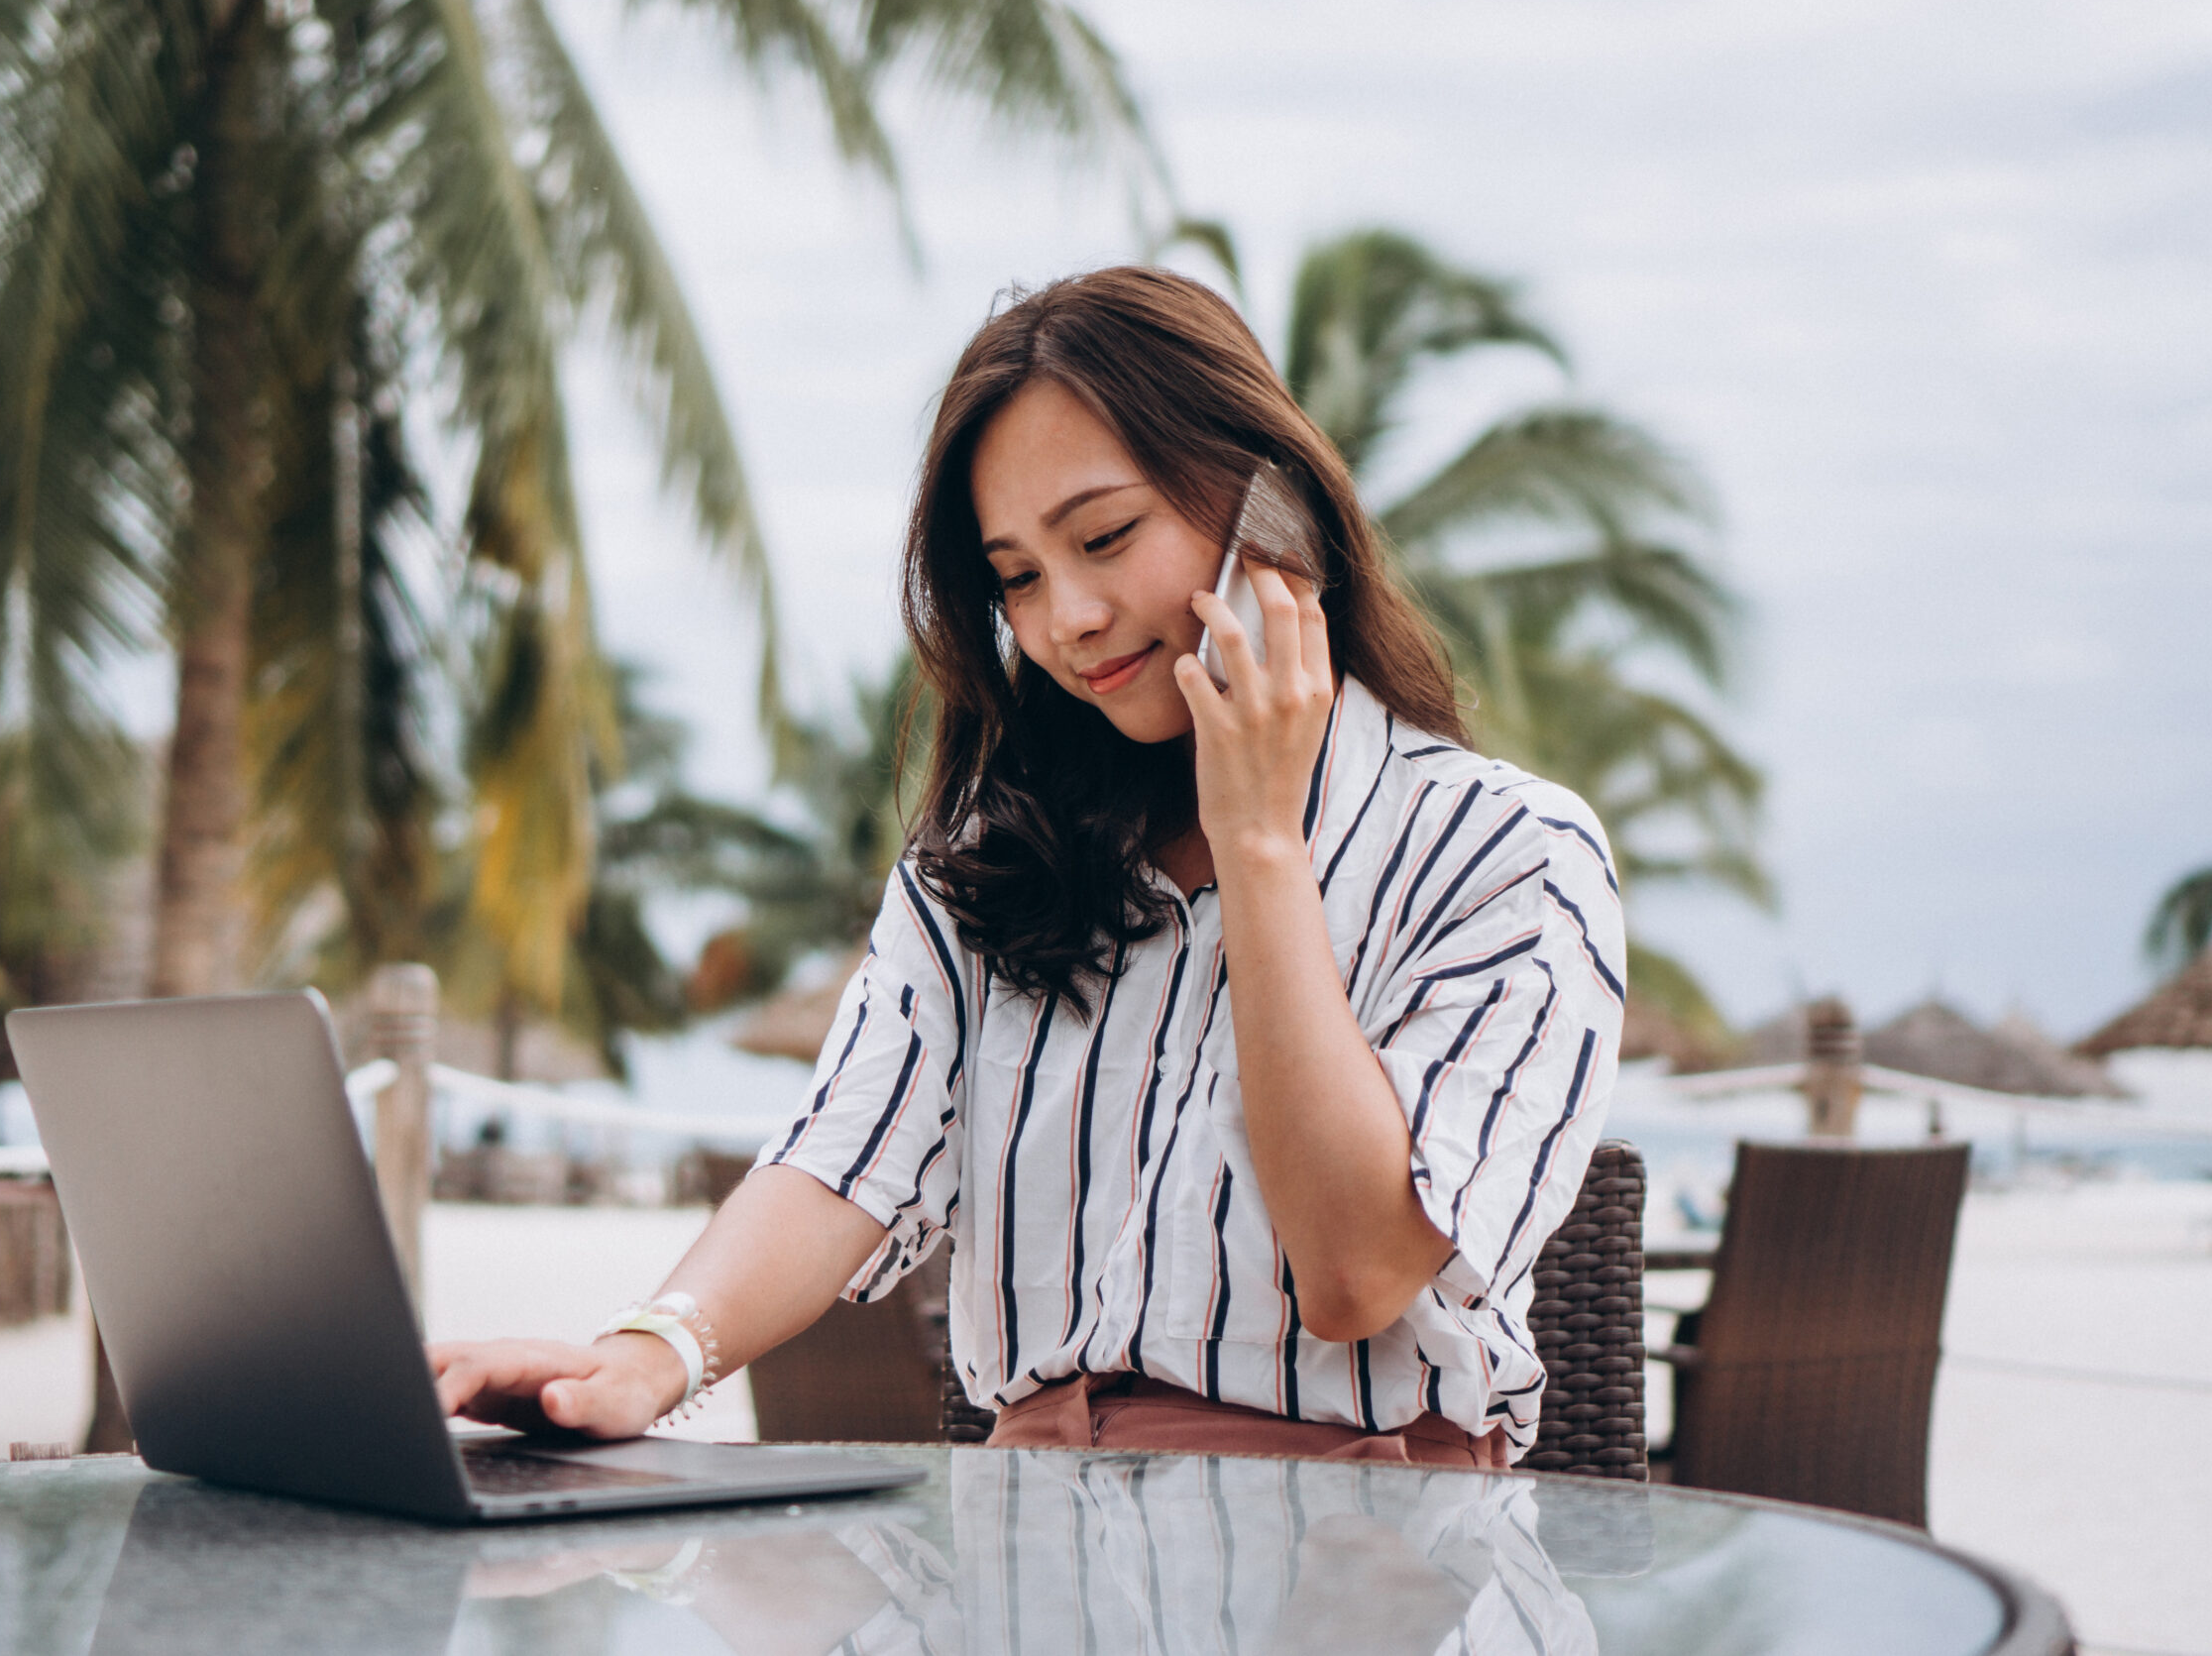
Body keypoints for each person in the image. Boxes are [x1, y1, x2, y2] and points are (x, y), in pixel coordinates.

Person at [430, 267, 1624, 1466]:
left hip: (1369, 1558)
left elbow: (1357, 1272)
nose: (1070, 620)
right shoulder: (994, 865)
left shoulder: (1506, 858)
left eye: (1106, 537)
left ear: (1276, 515)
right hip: (1035, 1535)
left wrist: (1260, 838)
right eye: (1018, 578)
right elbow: (845, 1151)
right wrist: (644, 1357)